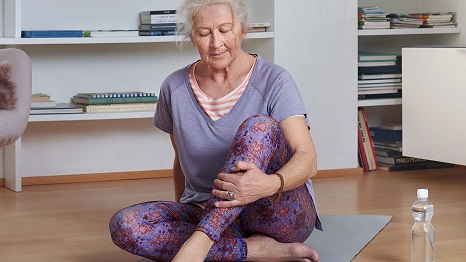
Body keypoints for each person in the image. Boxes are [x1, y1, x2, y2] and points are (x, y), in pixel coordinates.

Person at [109, 0, 322, 261]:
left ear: (243, 29)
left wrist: (267, 184)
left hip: (276, 213)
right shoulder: (173, 88)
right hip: (210, 212)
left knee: (260, 126)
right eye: (204, 33)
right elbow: (181, 161)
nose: (216, 43)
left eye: (225, 29)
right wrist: (183, 210)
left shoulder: (275, 80)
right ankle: (253, 250)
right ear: (192, 37)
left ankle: (200, 244)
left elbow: (308, 160)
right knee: (125, 225)